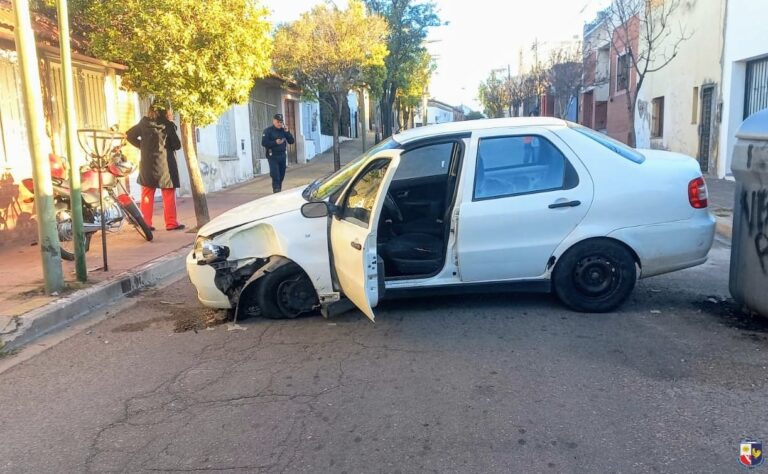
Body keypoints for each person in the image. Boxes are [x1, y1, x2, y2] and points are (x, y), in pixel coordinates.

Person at [126, 103, 185, 231]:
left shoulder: (143, 123)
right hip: (166, 164)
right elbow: (177, 145)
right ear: (165, 112)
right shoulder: (168, 125)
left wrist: (142, 146)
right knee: (168, 192)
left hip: (148, 163)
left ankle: (146, 224)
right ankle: (171, 223)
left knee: (147, 193)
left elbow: (129, 135)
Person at [261, 113, 295, 193]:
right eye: (278, 122)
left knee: (281, 175)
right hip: (272, 155)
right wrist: (275, 142)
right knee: (275, 174)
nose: (279, 124)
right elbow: (264, 143)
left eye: (281, 122)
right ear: (273, 121)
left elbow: (291, 141)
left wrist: (287, 132)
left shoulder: (283, 130)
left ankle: (278, 188)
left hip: (282, 155)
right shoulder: (268, 131)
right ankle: (276, 189)